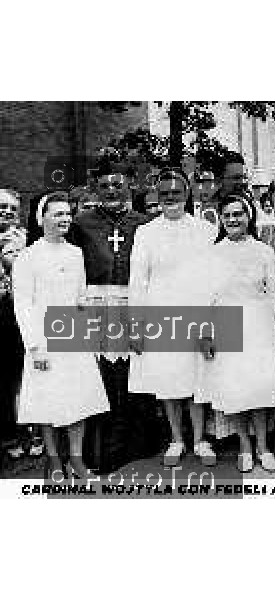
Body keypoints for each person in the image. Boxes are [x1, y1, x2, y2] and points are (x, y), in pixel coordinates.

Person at [67, 153, 161, 473]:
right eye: (104, 185)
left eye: (117, 184)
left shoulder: (144, 223)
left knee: (134, 376)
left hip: (134, 305)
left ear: (128, 187)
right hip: (96, 308)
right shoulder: (81, 224)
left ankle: (138, 446)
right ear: (96, 188)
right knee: (102, 378)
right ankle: (102, 452)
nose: (111, 190)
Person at [12, 192, 110, 478]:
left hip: (72, 335)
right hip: (43, 340)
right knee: (47, 402)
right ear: (41, 218)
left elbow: (81, 299)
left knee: (78, 400)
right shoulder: (28, 257)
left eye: (68, 213)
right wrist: (35, 347)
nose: (65, 219)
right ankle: (55, 461)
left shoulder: (75, 254)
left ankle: (76, 460)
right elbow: (23, 305)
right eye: (57, 214)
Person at [195, 194, 275, 473]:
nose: (233, 220)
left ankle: (263, 447)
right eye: (227, 215)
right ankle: (244, 448)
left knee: (259, 389)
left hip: (259, 325)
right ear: (221, 220)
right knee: (236, 390)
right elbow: (205, 298)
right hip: (227, 323)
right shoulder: (213, 254)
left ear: (249, 217)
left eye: (238, 214)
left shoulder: (263, 251)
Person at [128, 169, 218, 467]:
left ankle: (200, 440)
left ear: (187, 193)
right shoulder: (146, 232)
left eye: (176, 192)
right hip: (160, 314)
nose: (170, 198)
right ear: (157, 196)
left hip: (196, 314)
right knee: (168, 382)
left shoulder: (204, 230)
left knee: (196, 379)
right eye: (164, 193)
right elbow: (138, 281)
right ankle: (176, 439)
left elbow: (211, 279)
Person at [0, 189, 32, 460]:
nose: (7, 212)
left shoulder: (26, 241)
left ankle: (27, 432)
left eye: (12, 208)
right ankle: (9, 434)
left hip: (18, 318)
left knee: (22, 377)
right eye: (2, 207)